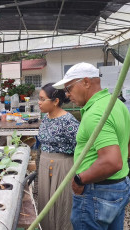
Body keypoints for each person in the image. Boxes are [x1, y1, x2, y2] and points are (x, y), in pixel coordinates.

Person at [53, 62, 130, 230]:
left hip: (98, 191)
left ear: (86, 82)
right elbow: (127, 144)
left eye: (69, 89)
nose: (67, 95)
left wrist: (79, 180)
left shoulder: (95, 113)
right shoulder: (115, 104)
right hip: (118, 186)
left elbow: (112, 162)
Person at [37, 83, 79, 230]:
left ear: (55, 101)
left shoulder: (68, 121)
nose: (39, 102)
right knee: (45, 203)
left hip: (63, 166)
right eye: (39, 98)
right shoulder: (46, 117)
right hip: (45, 164)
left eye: (43, 99)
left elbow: (80, 146)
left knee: (62, 204)